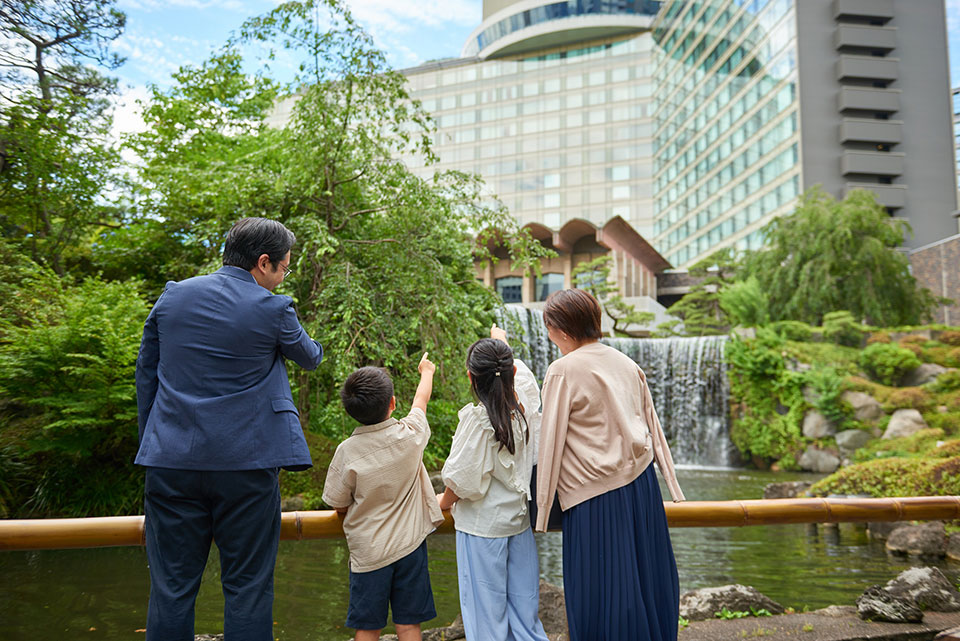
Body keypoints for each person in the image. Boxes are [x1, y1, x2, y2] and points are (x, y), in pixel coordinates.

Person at [135, 217, 324, 641]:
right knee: (248, 587)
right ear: (263, 263)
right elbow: (310, 357)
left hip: (170, 461)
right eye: (284, 269)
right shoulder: (274, 308)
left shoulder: (173, 297)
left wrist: (154, 441)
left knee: (171, 588)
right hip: (247, 463)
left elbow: (146, 373)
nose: (283, 278)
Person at [534, 288, 686, 641]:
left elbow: (550, 441)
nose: (548, 334)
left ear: (562, 329)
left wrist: (542, 509)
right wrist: (672, 483)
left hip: (594, 493)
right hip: (642, 484)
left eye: (549, 326)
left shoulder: (562, 370)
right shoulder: (626, 363)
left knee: (601, 589)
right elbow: (651, 425)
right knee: (648, 580)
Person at [322, 353, 444, 641]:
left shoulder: (346, 451)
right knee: (408, 624)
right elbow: (420, 402)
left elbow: (338, 503)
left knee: (368, 626)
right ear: (392, 403)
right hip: (410, 546)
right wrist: (426, 371)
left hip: (369, 553)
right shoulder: (411, 434)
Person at [438, 326, 550, 641]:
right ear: (511, 370)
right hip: (517, 524)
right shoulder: (525, 412)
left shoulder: (477, 422)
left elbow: (462, 481)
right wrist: (501, 342)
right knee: (525, 618)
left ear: (472, 378)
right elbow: (525, 381)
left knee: (486, 621)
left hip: (482, 530)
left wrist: (442, 503)